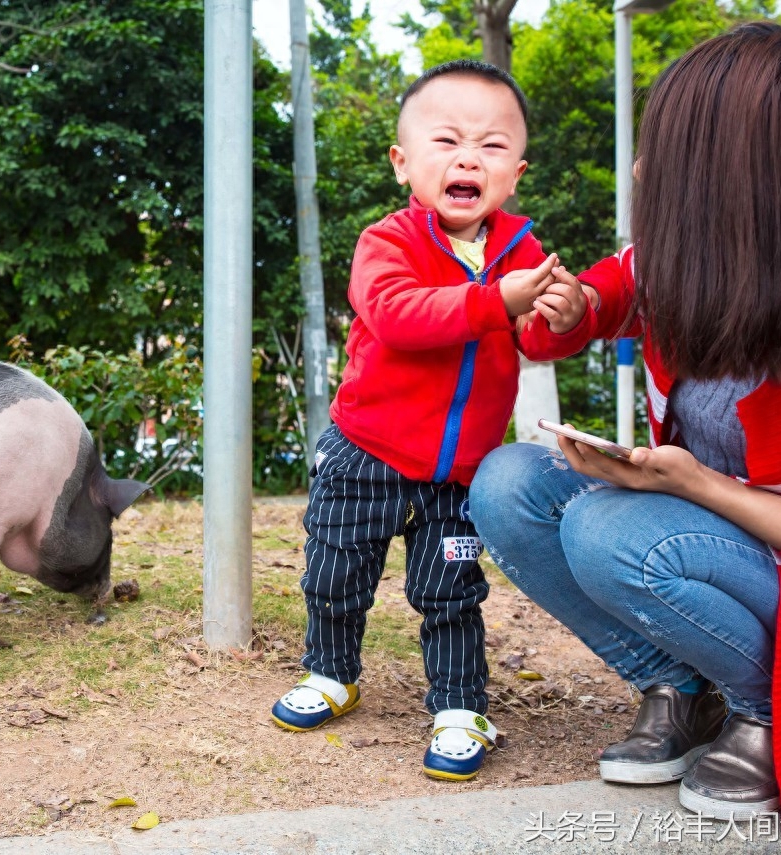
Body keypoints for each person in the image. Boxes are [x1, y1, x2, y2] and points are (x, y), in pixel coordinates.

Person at [469, 22, 781, 819]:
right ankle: (682, 684)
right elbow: (567, 319)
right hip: (718, 539)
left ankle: (768, 707)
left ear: (751, 178)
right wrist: (572, 305)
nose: (639, 170)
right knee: (508, 483)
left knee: (610, 531)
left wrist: (699, 485)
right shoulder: (673, 267)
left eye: (666, 154)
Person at [269, 59, 594, 783]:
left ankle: (458, 704)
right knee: (335, 570)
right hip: (365, 452)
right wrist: (495, 299)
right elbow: (398, 316)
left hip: (459, 472)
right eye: (446, 141)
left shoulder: (523, 252)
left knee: (451, 590)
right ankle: (330, 670)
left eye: (492, 145)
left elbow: (538, 338)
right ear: (403, 162)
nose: (468, 158)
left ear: (516, 172)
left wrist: (563, 319)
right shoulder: (388, 242)